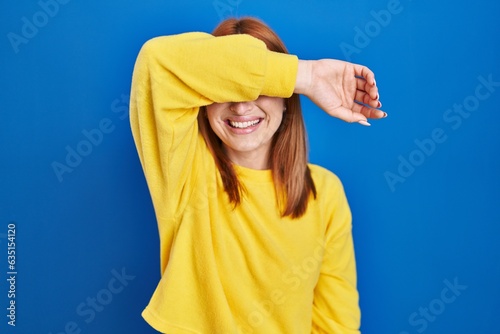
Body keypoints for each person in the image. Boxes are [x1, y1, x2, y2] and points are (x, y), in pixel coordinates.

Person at [130, 16, 385, 334]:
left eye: (261, 88)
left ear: (285, 99)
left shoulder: (325, 191)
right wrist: (305, 74)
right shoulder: (185, 170)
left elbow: (336, 324)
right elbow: (155, 62)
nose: (240, 106)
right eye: (227, 89)